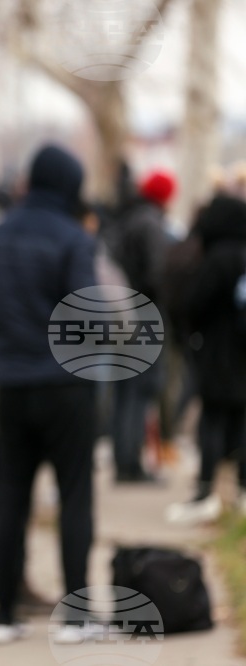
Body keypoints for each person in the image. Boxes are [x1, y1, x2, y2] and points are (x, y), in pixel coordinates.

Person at [0, 144, 98, 645]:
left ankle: (3, 614)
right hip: (67, 387)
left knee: (11, 495)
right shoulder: (73, 238)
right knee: (75, 495)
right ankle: (76, 617)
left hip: (12, 384)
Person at [165, 196, 246, 524]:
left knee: (211, 419)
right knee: (241, 421)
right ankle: (241, 490)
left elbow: (194, 303)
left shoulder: (217, 258)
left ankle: (205, 491)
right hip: (242, 355)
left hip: (217, 354)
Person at [106, 170, 176, 483]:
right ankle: (131, 464)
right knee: (139, 391)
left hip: (120, 315)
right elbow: (157, 274)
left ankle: (123, 460)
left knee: (124, 391)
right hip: (145, 316)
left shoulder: (125, 218)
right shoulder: (150, 223)